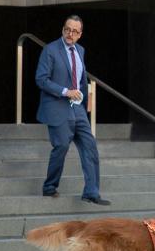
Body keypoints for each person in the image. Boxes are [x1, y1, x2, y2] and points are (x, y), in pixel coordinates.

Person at [36, 15, 109, 205]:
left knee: (90, 147)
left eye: (75, 31)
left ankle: (91, 192)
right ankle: (49, 187)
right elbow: (41, 79)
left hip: (78, 110)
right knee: (61, 147)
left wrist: (86, 101)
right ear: (63, 29)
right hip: (58, 107)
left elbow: (80, 79)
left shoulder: (81, 51)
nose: (71, 34)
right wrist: (65, 92)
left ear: (80, 34)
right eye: (68, 29)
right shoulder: (50, 50)